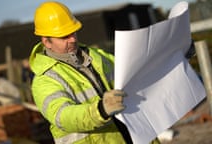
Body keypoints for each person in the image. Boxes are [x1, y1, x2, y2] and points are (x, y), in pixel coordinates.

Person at [29, 1, 161, 144]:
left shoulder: (98, 57)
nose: (72, 39)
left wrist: (174, 55)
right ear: (46, 42)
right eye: (64, 36)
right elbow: (63, 116)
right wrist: (100, 110)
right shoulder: (44, 80)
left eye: (73, 32)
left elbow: (138, 69)